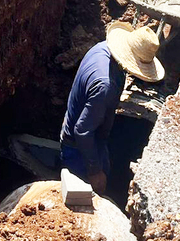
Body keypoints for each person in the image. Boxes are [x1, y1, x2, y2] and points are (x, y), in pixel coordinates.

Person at [60, 23, 164, 195]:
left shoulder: (101, 48)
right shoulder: (105, 87)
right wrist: (94, 171)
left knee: (106, 170)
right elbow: (83, 131)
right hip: (79, 148)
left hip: (93, 137)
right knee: (85, 199)